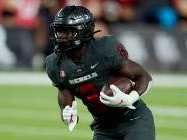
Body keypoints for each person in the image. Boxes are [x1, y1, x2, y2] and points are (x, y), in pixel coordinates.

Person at [45, 5, 155, 140]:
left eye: (67, 32)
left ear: (84, 31)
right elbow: (63, 89)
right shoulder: (55, 63)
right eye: (59, 31)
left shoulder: (105, 48)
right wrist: (66, 111)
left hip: (133, 120)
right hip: (103, 128)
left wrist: (130, 98)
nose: (61, 37)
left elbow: (144, 77)